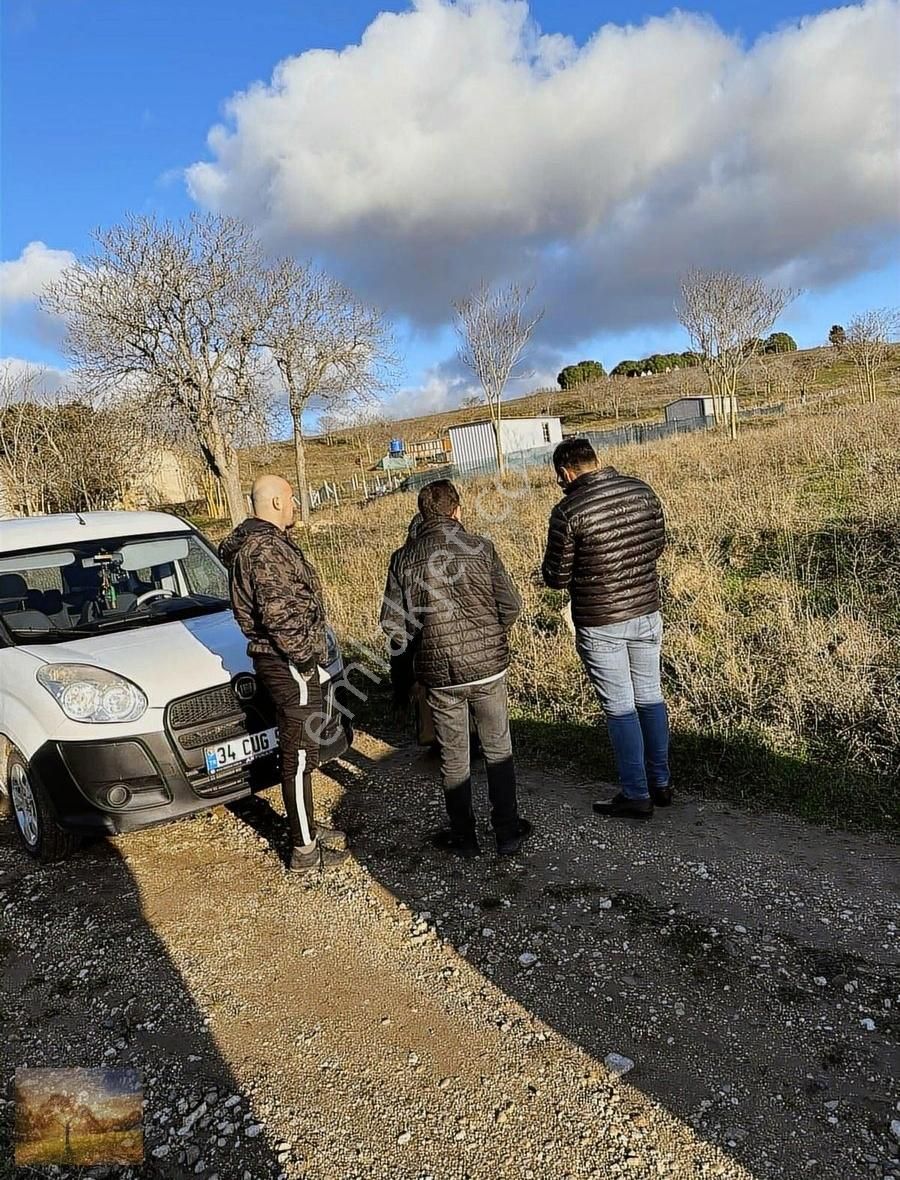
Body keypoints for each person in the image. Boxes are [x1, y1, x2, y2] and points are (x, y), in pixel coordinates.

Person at [381, 479, 531, 858]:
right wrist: (489, 634)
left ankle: (464, 837)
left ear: (422, 514)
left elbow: (394, 625)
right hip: (488, 668)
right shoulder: (481, 548)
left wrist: (415, 662)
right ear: (457, 510)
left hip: (439, 675)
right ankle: (508, 831)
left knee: (454, 757)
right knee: (498, 749)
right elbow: (511, 606)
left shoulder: (402, 559)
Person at [219, 474, 349, 872]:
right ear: (275, 503)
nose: (295, 505)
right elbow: (279, 616)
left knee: (306, 748)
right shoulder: (265, 550)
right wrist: (307, 658)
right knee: (295, 755)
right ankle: (303, 849)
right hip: (287, 663)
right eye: (292, 498)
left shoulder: (265, 545)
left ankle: (306, 828)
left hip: (290, 662)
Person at [542, 438, 671, 820]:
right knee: (650, 696)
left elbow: (556, 576)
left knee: (620, 709)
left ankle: (635, 793)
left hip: (600, 621)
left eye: (558, 478)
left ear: (566, 472)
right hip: (647, 609)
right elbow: (658, 544)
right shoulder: (641, 490)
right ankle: (661, 783)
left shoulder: (567, 511)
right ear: (595, 461)